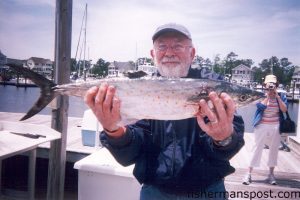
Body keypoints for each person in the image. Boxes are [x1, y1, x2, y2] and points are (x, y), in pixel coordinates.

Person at [85, 23, 245, 200]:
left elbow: (229, 146)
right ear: (153, 55)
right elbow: (130, 155)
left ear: (192, 53)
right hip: (154, 192)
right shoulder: (141, 87)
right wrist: (113, 131)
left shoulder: (215, 87)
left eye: (177, 46)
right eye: (162, 46)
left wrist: (224, 138)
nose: (169, 52)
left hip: (207, 191)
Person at [243, 75, 287, 185]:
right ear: (265, 86)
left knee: (273, 150)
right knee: (256, 148)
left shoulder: (281, 95)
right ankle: (248, 173)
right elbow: (261, 107)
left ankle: (271, 174)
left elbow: (284, 109)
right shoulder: (260, 95)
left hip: (276, 126)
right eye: (269, 84)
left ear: (276, 85)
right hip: (261, 125)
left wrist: (277, 97)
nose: (271, 86)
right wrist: (268, 96)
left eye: (273, 84)